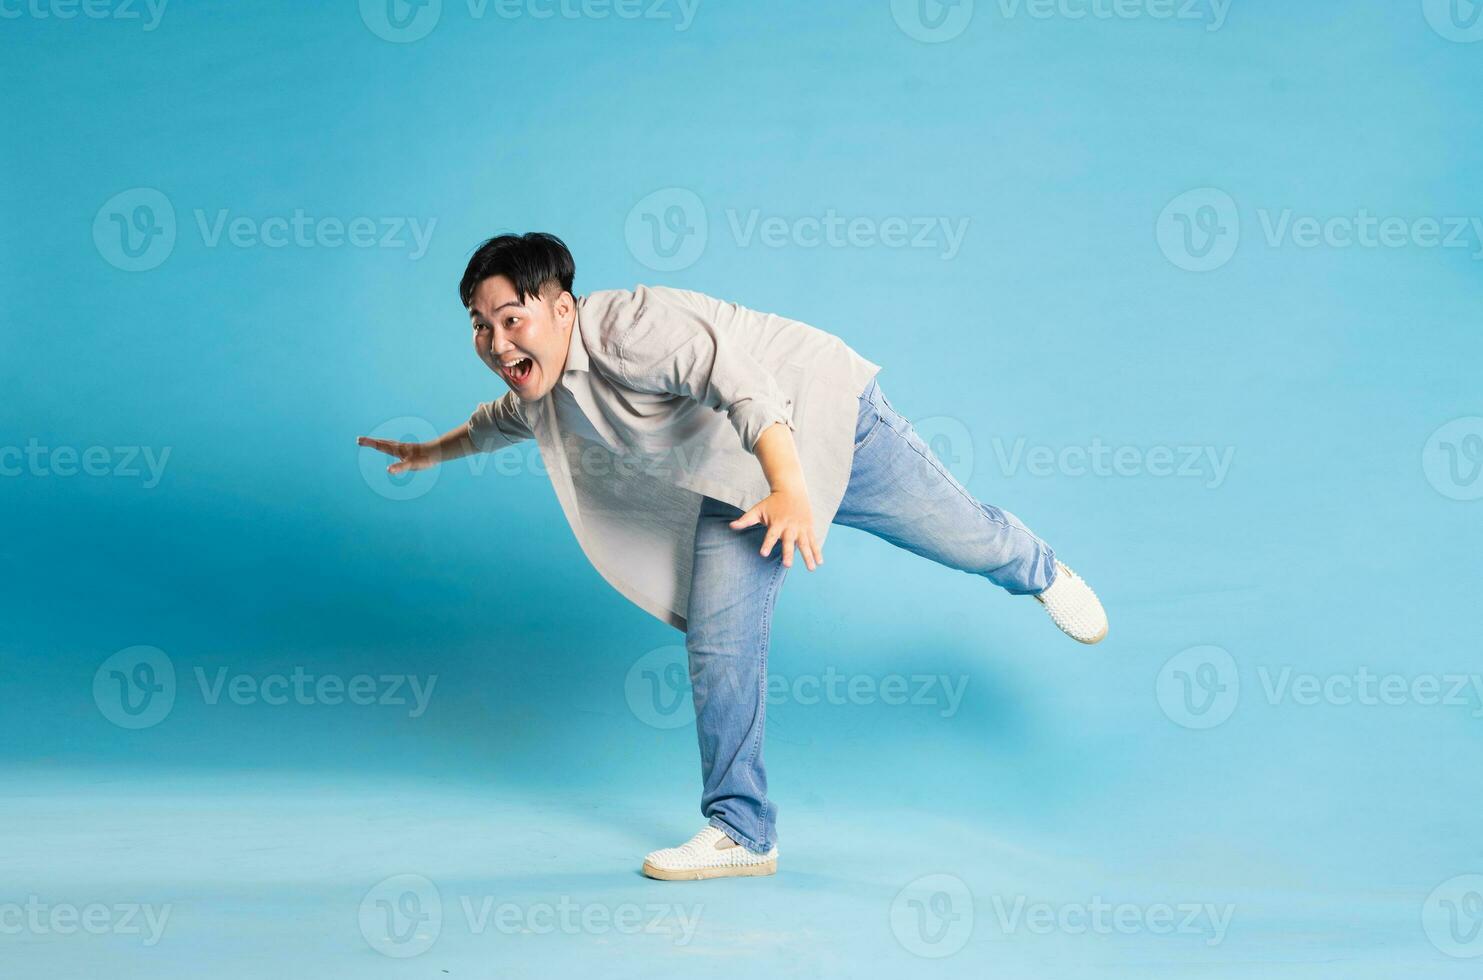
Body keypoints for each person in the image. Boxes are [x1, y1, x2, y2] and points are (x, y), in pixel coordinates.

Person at [357, 232, 1108, 882]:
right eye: (479, 327)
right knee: (719, 645)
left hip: (824, 420)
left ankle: (1040, 569)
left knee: (966, 538)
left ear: (561, 308)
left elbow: (744, 384)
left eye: (509, 319)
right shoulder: (543, 383)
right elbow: (498, 421)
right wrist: (430, 451)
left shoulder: (633, 327)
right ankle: (743, 832)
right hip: (740, 482)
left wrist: (791, 488)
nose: (495, 343)